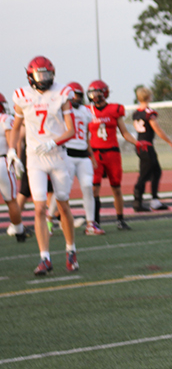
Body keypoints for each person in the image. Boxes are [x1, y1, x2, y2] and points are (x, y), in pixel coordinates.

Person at [8, 56, 78, 275]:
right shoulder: (21, 96)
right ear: (31, 77)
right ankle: (44, 257)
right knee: (39, 208)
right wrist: (12, 150)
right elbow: (16, 127)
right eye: (40, 75)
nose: (44, 79)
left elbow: (71, 130)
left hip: (57, 155)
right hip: (34, 157)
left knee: (63, 205)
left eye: (47, 74)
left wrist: (53, 141)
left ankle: (70, 249)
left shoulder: (62, 93)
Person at [87, 80, 144, 230]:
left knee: (116, 188)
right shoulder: (86, 111)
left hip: (112, 152)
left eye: (98, 92)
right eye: (93, 93)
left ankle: (120, 219)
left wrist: (137, 143)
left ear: (105, 93)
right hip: (95, 154)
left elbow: (124, 132)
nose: (96, 96)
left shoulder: (115, 109)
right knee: (94, 189)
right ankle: (95, 222)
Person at [59, 83, 103, 235]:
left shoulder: (86, 112)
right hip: (68, 154)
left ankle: (90, 224)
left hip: (83, 154)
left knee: (87, 188)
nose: (76, 98)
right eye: (74, 95)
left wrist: (91, 156)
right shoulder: (62, 109)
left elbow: (86, 137)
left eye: (78, 95)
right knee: (62, 190)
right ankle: (49, 220)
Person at [132, 86, 172, 211]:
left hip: (140, 145)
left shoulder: (136, 113)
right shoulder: (149, 113)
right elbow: (157, 129)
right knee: (145, 174)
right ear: (149, 97)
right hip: (146, 146)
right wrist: (169, 141)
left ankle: (154, 200)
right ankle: (137, 201)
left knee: (156, 171)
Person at [1, 92, 29, 242]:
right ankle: (19, 232)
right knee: (11, 200)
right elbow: (11, 139)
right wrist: (16, 157)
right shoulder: (5, 119)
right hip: (2, 161)